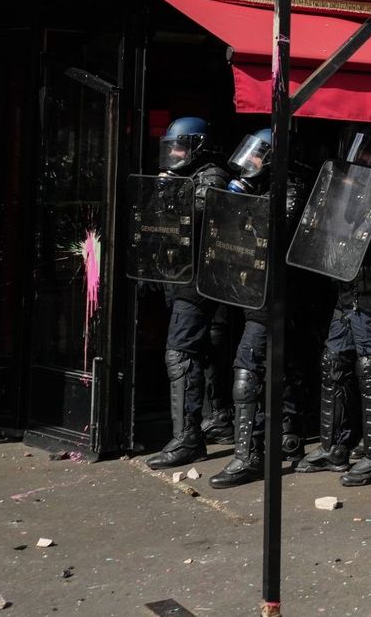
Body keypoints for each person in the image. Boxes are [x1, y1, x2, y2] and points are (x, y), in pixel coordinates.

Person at [296, 130, 371, 487]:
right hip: (346, 292)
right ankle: (334, 446)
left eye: (369, 153)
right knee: (334, 362)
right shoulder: (344, 191)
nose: (361, 159)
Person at [210, 129, 307, 489]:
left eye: (258, 156)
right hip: (250, 291)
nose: (250, 162)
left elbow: (274, 230)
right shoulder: (254, 187)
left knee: (248, 372)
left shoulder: (290, 189)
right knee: (280, 367)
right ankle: (287, 441)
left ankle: (248, 457)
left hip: (273, 296)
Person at [145, 117, 232, 470]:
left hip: (198, 282)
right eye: (171, 147)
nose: (174, 154)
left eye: (180, 147)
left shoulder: (210, 177)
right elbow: (150, 220)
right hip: (180, 278)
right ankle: (216, 419)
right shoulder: (178, 180)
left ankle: (187, 440)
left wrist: (169, 193)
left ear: (197, 146)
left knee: (179, 355)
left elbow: (191, 220)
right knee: (203, 352)